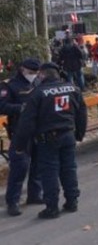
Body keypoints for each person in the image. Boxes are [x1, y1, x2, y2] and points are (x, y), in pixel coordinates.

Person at [13, 63, 87, 219]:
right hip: (68, 135)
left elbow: (26, 122)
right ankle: (72, 201)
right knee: (69, 169)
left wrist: (19, 145)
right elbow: (81, 113)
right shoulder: (73, 88)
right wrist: (80, 134)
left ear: (42, 75)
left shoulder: (37, 94)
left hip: (48, 139)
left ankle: (52, 208)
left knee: (49, 173)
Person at [0, 58, 43, 216]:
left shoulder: (38, 82)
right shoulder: (10, 85)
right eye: (31, 73)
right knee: (20, 167)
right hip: (20, 132)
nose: (34, 75)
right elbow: (2, 106)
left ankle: (34, 194)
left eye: (36, 73)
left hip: (38, 130)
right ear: (23, 70)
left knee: (38, 164)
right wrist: (21, 108)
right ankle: (13, 201)